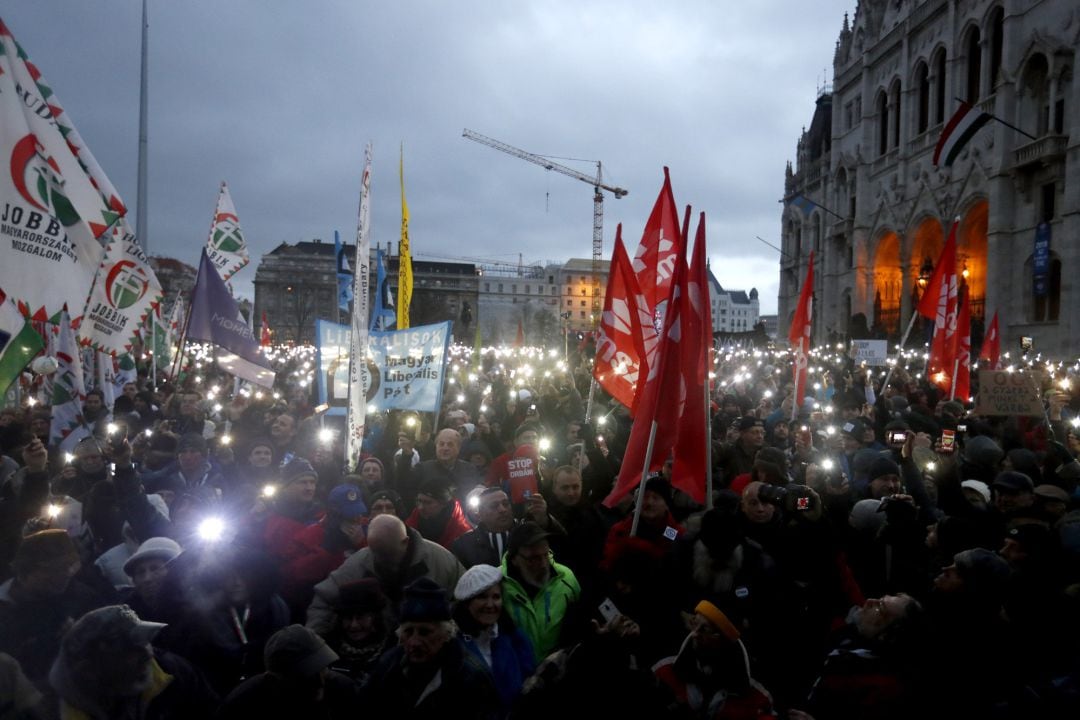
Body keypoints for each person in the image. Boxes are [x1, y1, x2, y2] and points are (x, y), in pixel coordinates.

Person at [48, 605, 219, 720]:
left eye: (145, 641)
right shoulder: (62, 713)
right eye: (130, 650)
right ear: (90, 669)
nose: (147, 653)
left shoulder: (171, 670)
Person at [363, 577, 499, 719]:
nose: (415, 642)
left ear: (447, 634)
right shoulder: (388, 666)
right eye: (408, 632)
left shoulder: (471, 677)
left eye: (425, 632)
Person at [306, 514, 465, 636]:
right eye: (376, 552)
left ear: (405, 542)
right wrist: (318, 640)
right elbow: (323, 600)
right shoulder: (360, 561)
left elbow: (467, 601)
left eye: (387, 553)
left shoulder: (441, 561)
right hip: (372, 652)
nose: (381, 559)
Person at [0, 529, 107, 691]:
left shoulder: (80, 596)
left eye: (68, 567)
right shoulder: (5, 613)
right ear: (24, 573)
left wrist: (79, 638)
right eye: (52, 571)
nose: (65, 575)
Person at [216, 624, 358, 719]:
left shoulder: (342, 690)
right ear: (275, 680)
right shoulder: (242, 706)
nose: (319, 681)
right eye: (306, 675)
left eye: (322, 668)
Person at [452, 564, 535, 713]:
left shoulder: (515, 639)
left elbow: (529, 682)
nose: (490, 605)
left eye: (496, 597)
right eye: (482, 597)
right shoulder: (453, 645)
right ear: (467, 603)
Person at [280, 483, 368, 620]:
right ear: (335, 514)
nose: (357, 518)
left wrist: (361, 545)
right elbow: (292, 574)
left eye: (358, 513)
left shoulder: (366, 529)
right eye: (350, 515)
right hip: (316, 608)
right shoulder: (310, 535)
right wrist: (327, 551)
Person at [500, 522, 581, 663]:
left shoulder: (566, 579)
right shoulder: (496, 585)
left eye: (546, 554)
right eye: (533, 558)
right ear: (514, 559)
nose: (544, 564)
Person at [323, 578, 392, 684]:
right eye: (348, 618)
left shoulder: (391, 649)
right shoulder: (327, 649)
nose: (354, 625)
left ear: (376, 618)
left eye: (361, 617)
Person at [120, 536, 182, 622]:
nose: (147, 578)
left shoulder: (197, 609)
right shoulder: (126, 617)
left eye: (155, 569)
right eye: (141, 572)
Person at [405, 477, 473, 550]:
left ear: (444, 504)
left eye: (428, 502)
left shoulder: (462, 532)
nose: (420, 507)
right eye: (419, 501)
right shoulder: (414, 518)